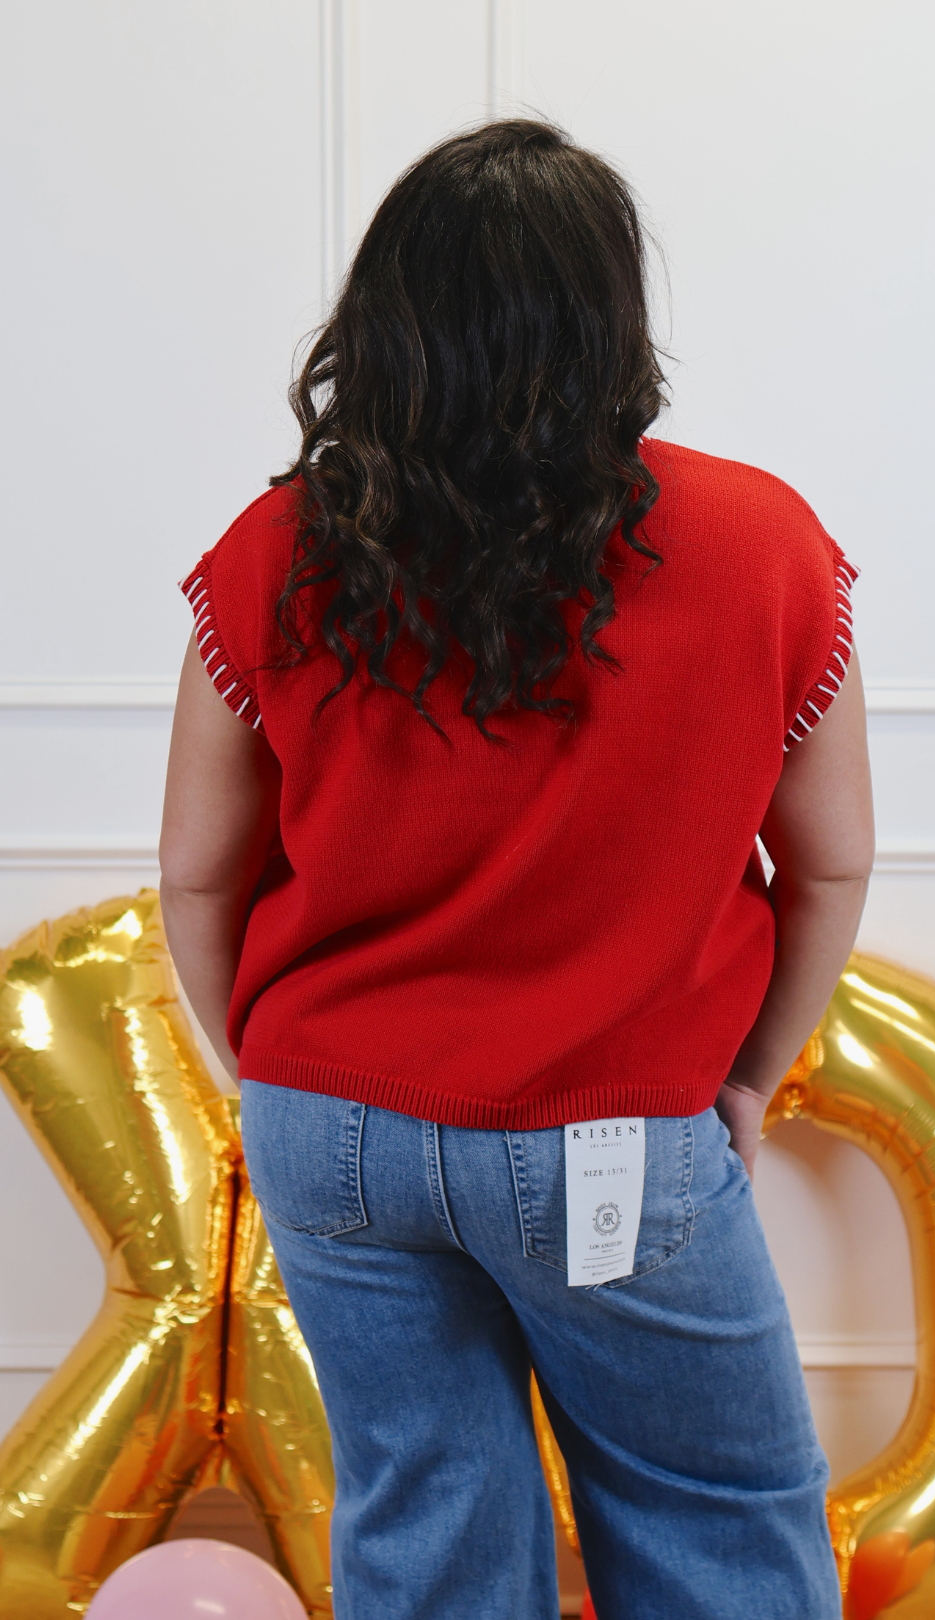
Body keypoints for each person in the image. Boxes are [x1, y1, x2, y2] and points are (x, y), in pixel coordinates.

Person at [159, 119, 873, 1620]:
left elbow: (199, 878)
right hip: (612, 1129)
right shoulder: (762, 543)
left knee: (428, 1518)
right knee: (714, 1515)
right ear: (611, 317)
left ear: (385, 316)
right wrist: (749, 1079)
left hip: (329, 1124)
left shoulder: (282, 547)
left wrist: (281, 1078)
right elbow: (829, 866)